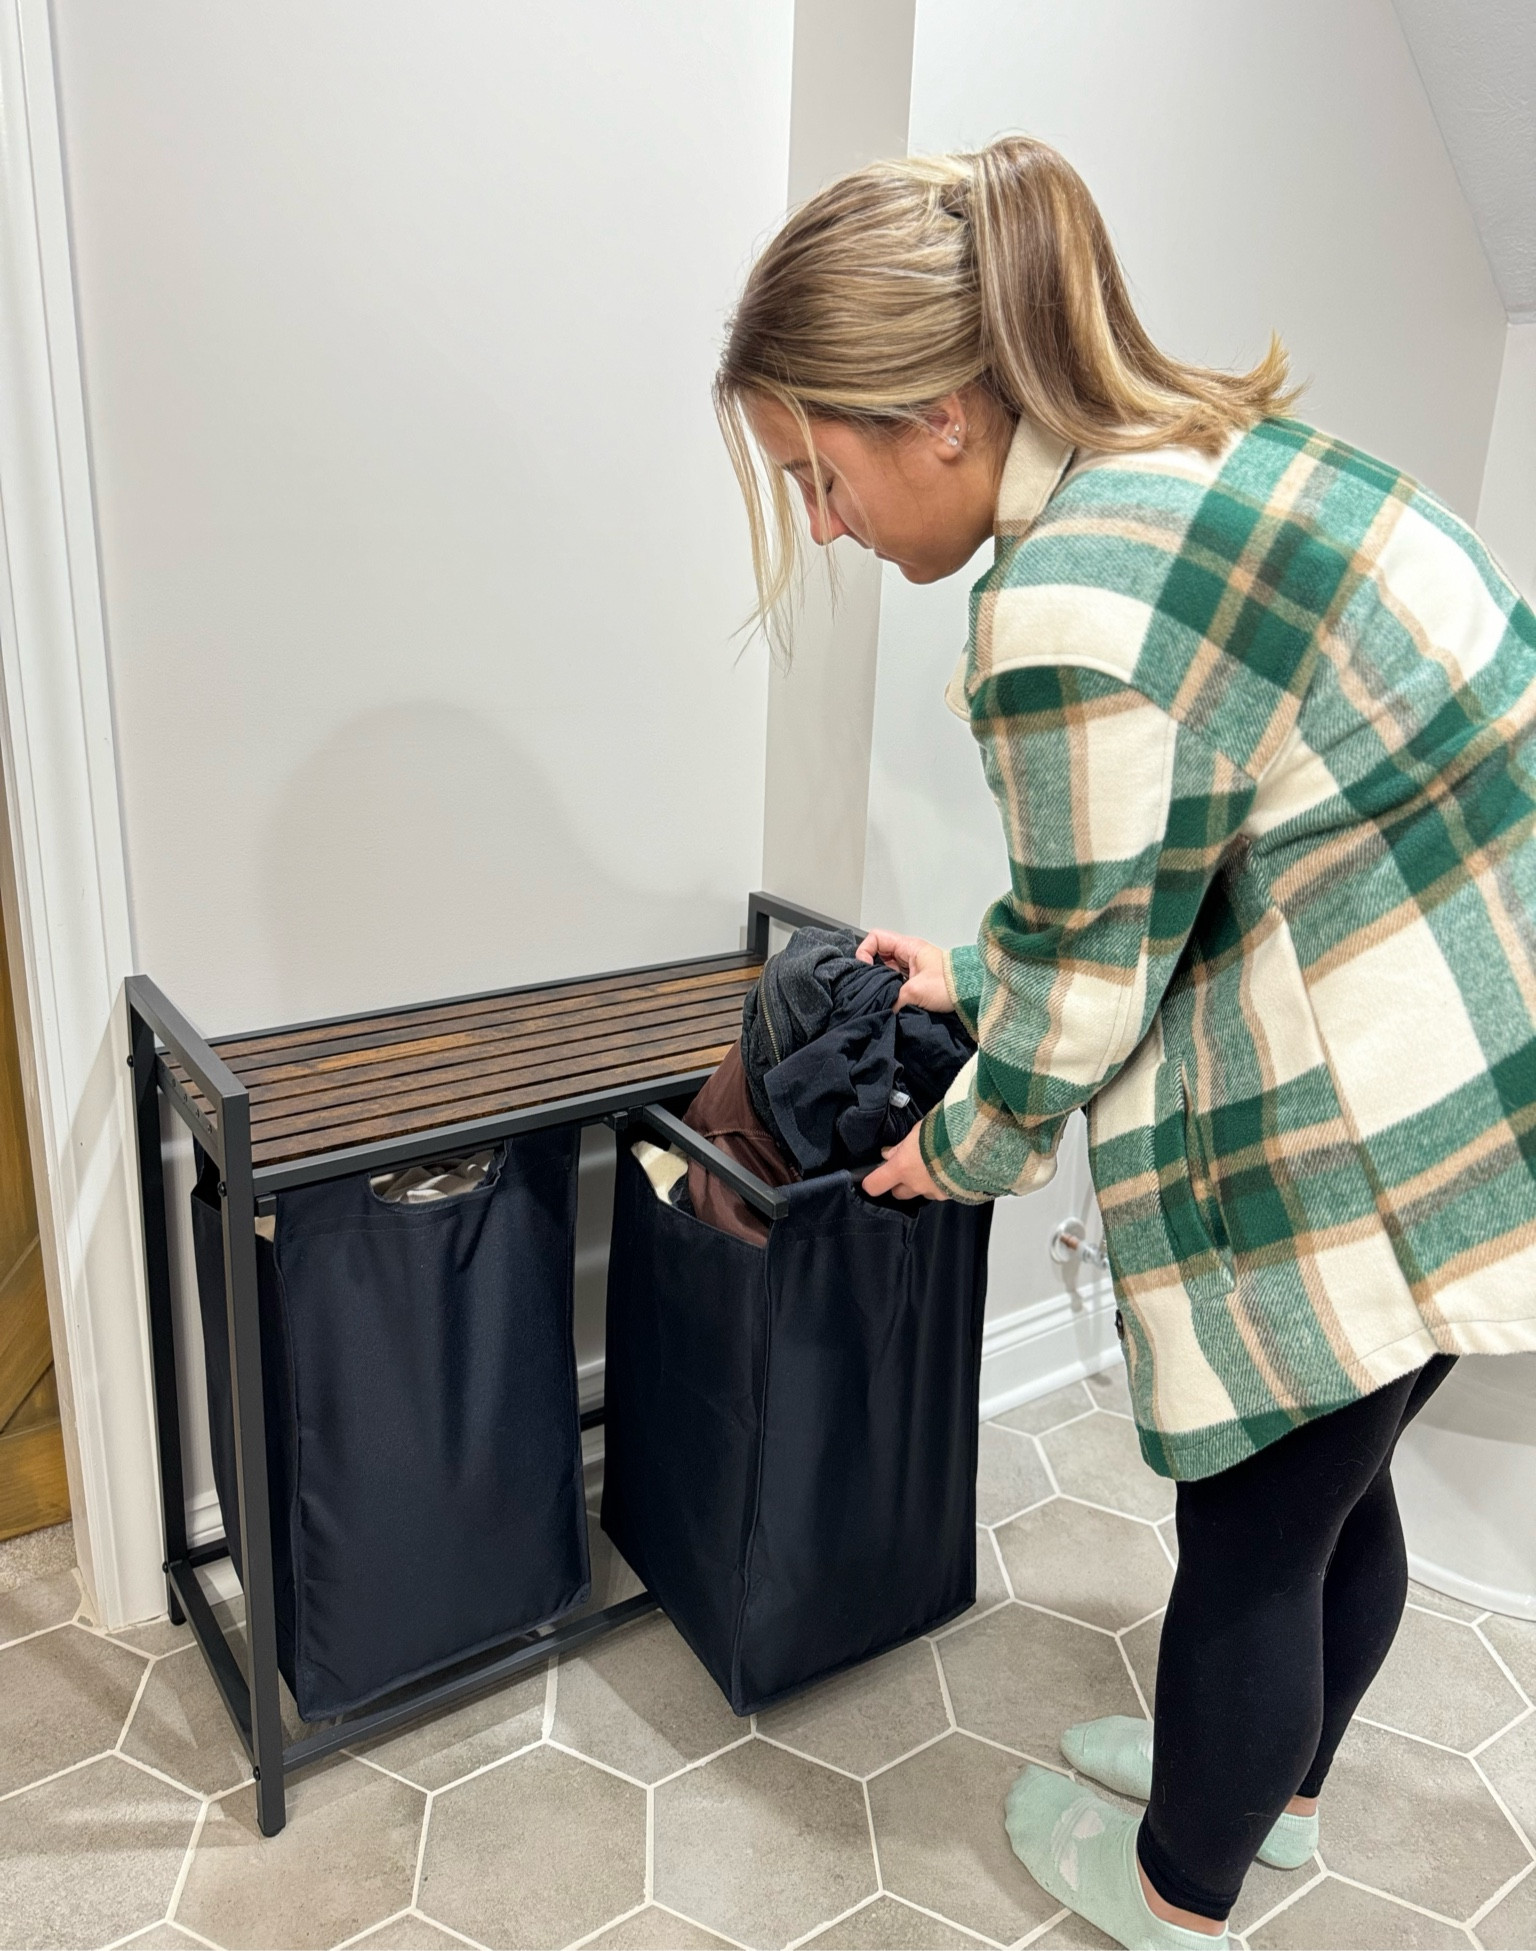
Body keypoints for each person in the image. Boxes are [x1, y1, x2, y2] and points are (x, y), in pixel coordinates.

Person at [714, 134, 1536, 1951]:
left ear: (935, 413)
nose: (829, 528)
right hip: (1486, 1059)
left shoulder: (1066, 604)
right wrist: (977, 973)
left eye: (822, 479)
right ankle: (1288, 1800)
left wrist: (967, 1143)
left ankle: (1182, 1891)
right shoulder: (1192, 463)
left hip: (1390, 1113)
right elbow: (1179, 854)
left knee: (1247, 1537)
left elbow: (1096, 976)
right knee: (1344, 1484)